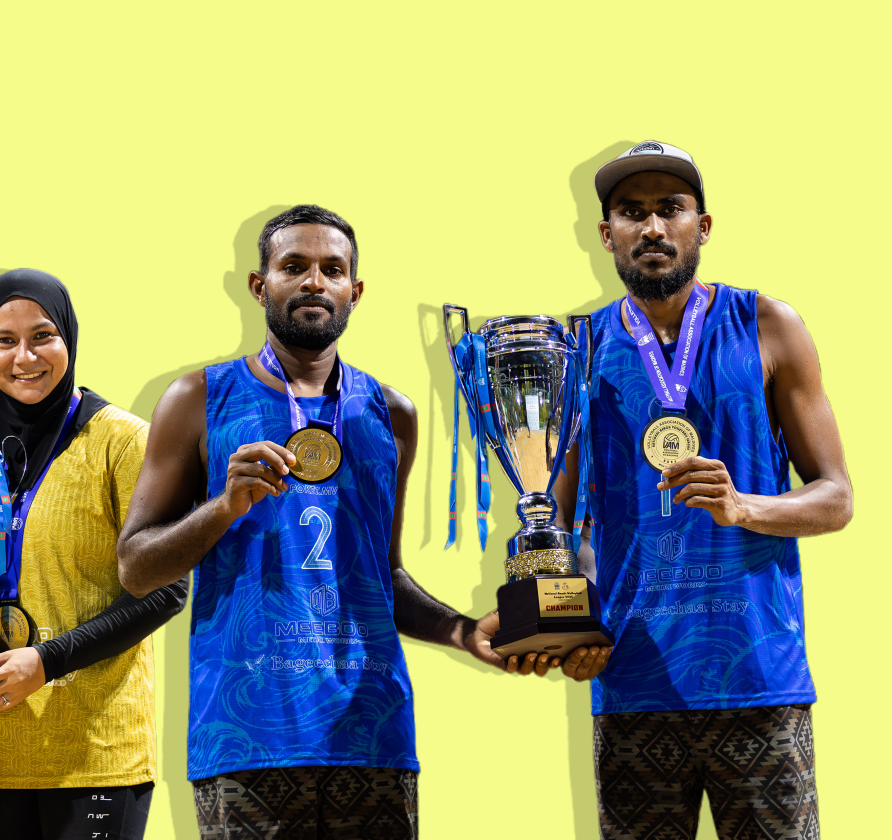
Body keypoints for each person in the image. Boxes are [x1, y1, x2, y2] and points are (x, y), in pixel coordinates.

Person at [116, 205, 610, 839]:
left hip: (374, 735)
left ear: (356, 290)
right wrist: (223, 507)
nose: (314, 281)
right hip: (249, 740)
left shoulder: (392, 412)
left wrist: (463, 632)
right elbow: (135, 568)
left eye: (332, 269)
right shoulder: (198, 398)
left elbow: (385, 577)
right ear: (260, 285)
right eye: (294, 266)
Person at [551, 141, 853, 839]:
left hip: (760, 682)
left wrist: (744, 506)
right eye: (632, 212)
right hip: (634, 681)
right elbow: (557, 524)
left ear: (703, 225)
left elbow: (836, 497)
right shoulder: (576, 349)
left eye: (671, 208)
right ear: (606, 235)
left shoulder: (767, 325)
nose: (653, 227)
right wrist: (570, 622)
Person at [0, 269, 187, 840]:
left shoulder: (125, 442)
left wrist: (46, 662)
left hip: (95, 751)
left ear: (68, 338)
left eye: (42, 336)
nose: (25, 357)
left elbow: (167, 589)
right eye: (4, 340)